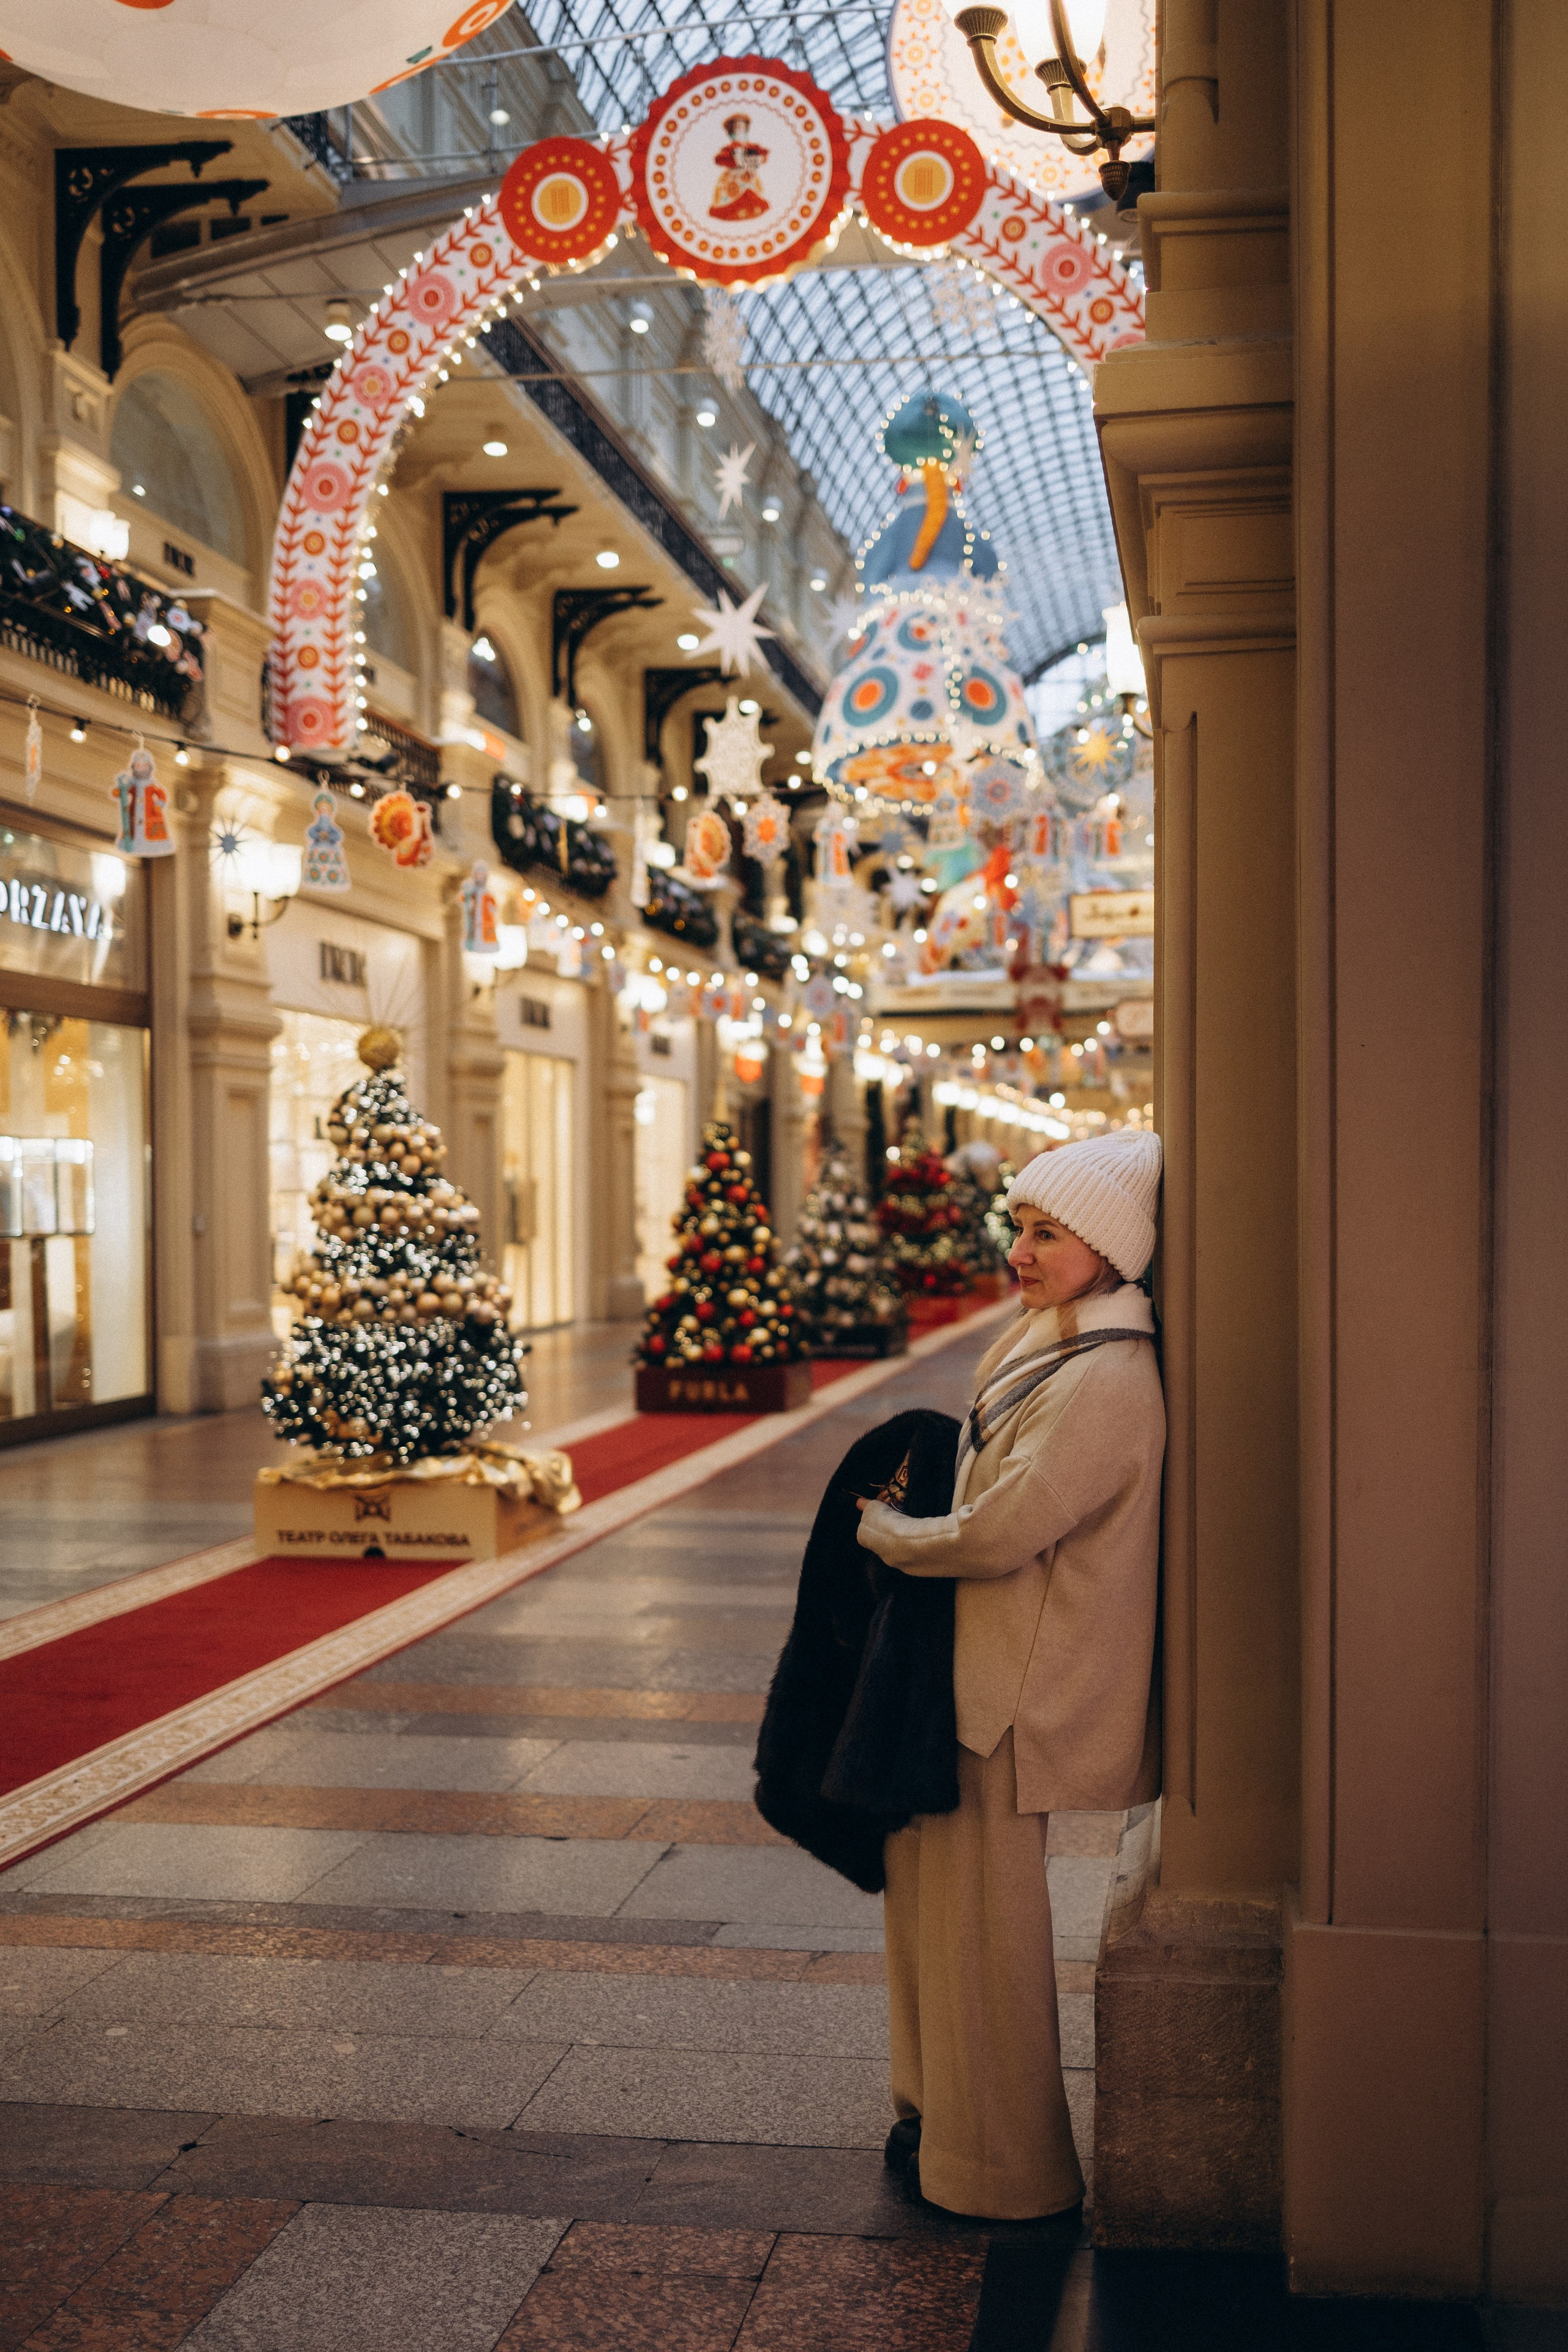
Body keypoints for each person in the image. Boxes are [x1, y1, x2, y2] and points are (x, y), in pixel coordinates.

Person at [854, 1127, 1165, 2220]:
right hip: (973, 1671)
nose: (1021, 1253)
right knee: (934, 1903)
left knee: (985, 1932)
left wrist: (889, 1533)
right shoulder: (1057, 1339)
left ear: (1114, 1250)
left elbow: (1000, 1531)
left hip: (1015, 1689)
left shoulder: (1111, 1374)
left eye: (1049, 1234)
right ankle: (933, 2116)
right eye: (1019, 1229)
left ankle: (1005, 2172)